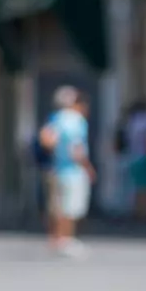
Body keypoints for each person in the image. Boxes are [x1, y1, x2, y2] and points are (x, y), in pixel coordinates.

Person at [39, 86, 94, 256]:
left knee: (57, 206)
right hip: (73, 170)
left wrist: (55, 152)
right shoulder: (76, 120)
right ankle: (66, 238)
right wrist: (88, 167)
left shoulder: (56, 118)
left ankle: (56, 238)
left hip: (57, 168)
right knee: (71, 207)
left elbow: (46, 139)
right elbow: (77, 148)